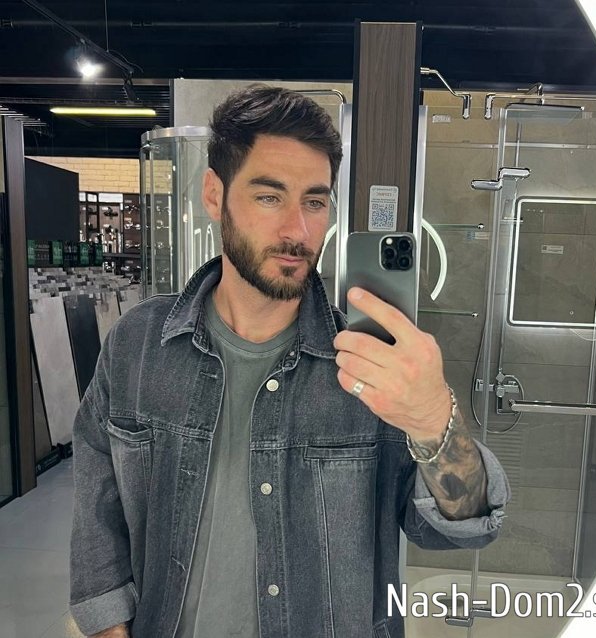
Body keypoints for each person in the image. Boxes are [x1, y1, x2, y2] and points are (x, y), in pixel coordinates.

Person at [69, 85, 510, 638]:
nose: (297, 231)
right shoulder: (139, 345)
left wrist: (432, 420)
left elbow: (462, 528)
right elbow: (98, 491)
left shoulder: (370, 370)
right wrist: (107, 624)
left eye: (315, 202)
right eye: (269, 197)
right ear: (214, 195)